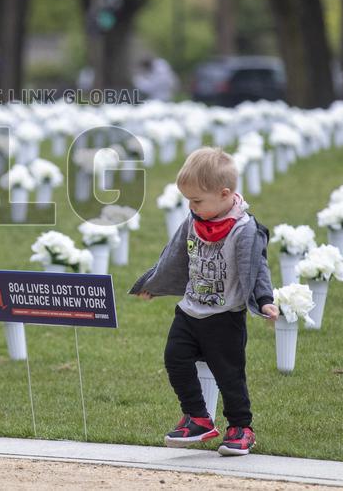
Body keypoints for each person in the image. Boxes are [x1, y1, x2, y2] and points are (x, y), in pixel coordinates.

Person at [129, 147, 278, 456]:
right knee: (175, 358)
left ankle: (241, 428)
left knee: (229, 374)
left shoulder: (244, 229)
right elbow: (174, 256)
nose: (191, 206)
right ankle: (197, 417)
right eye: (188, 200)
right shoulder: (194, 220)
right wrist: (155, 285)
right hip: (190, 310)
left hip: (225, 316)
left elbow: (257, 266)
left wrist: (265, 300)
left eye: (197, 200)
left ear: (225, 194)